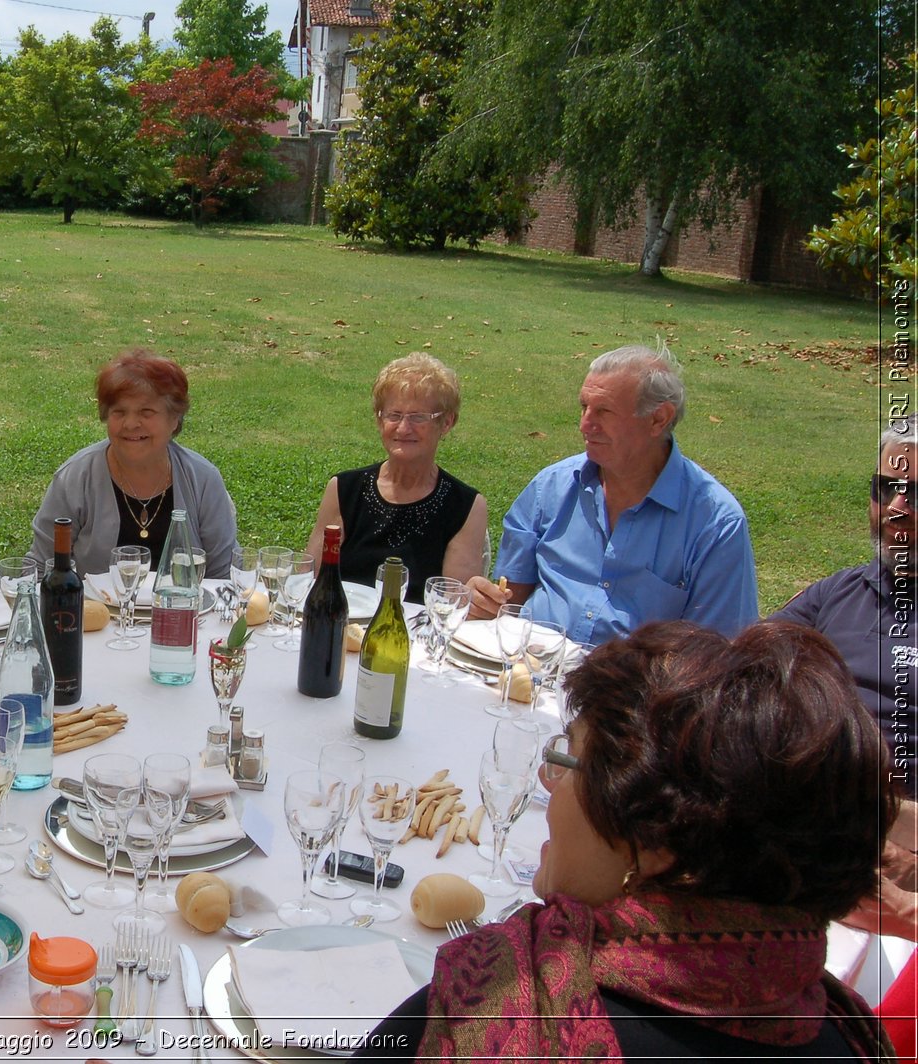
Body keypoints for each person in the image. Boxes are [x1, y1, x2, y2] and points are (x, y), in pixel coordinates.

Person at [355, 620, 896, 1060]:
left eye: (569, 760)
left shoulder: (490, 1004)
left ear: (657, 841)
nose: (548, 780)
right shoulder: (847, 1033)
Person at [469, 343, 758, 642]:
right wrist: (486, 602)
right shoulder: (550, 489)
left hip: (636, 687)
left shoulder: (715, 524)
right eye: (584, 407)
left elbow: (716, 657)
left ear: (658, 419)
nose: (585, 425)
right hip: (529, 672)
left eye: (603, 411)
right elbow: (508, 603)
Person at [771, 424, 916, 797]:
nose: (896, 510)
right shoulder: (837, 593)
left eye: (917, 496)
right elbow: (746, 672)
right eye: (886, 489)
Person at [32, 349, 237, 578]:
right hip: (96, 612)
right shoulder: (75, 478)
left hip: (183, 612)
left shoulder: (203, 479)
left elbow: (224, 574)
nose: (130, 424)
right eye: (119, 412)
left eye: (146, 412)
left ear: (174, 419)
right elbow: (42, 567)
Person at [304, 353, 487, 603]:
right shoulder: (345, 490)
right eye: (394, 415)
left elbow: (454, 605)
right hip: (342, 629)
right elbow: (308, 580)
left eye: (418, 417)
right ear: (380, 420)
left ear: (446, 423)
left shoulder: (465, 506)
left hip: (415, 637)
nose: (403, 428)